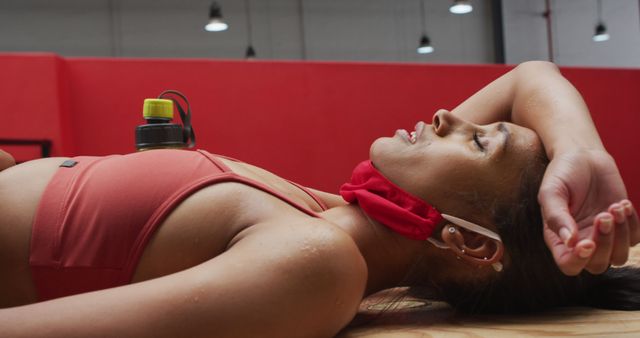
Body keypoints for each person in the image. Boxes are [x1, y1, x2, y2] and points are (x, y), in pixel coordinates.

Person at [0, 61, 637, 337]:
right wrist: (585, 152)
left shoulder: (318, 262)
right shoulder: (326, 215)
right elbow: (530, 77)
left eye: (478, 144)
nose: (448, 114)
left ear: (466, 240)